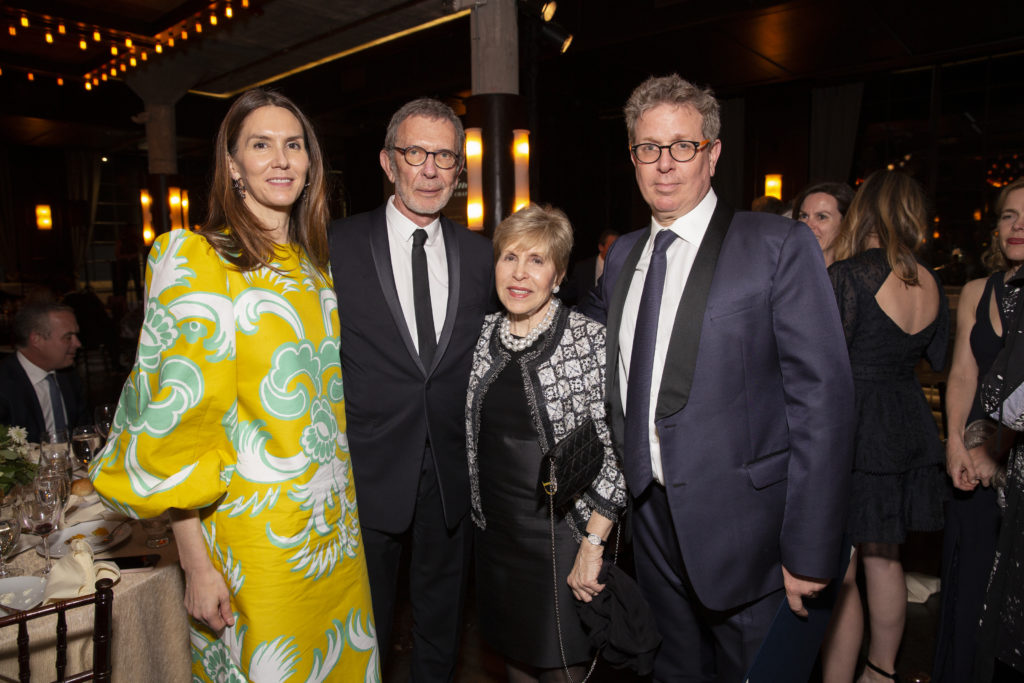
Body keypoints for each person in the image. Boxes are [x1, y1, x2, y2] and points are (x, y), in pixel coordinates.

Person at [90, 89, 379, 682]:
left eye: (293, 145)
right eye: (261, 144)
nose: (281, 159)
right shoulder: (195, 258)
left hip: (334, 537)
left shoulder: (311, 266)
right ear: (231, 163)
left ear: (310, 161)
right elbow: (174, 430)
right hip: (255, 542)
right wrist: (196, 563)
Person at [579, 73, 855, 681]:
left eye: (684, 146)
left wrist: (810, 550)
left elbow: (824, 405)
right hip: (649, 521)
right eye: (649, 148)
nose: (665, 164)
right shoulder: (623, 253)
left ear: (714, 152)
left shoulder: (778, 245)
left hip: (751, 535)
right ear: (633, 157)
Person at [328, 97, 494, 681]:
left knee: (441, 624)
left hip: (451, 474)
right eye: (415, 152)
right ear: (387, 161)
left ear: (458, 168)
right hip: (365, 471)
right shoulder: (335, 247)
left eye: (444, 156)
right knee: (361, 624)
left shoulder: (482, 255)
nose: (430, 169)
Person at [466, 204, 627, 682]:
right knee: (516, 663)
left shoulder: (590, 341)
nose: (519, 274)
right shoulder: (478, 336)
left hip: (564, 539)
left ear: (558, 275)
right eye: (509, 257)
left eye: (536, 261)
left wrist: (594, 543)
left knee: (563, 668)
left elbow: (619, 453)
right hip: (497, 540)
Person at [822, 170, 949, 682]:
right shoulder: (930, 279)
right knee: (884, 557)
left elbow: (827, 364)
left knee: (847, 568)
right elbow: (937, 356)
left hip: (860, 425)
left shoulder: (850, 275)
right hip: (909, 421)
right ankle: (881, 671)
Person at [933, 177, 1024, 683]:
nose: (1017, 227)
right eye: (1009, 215)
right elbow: (963, 371)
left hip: (1014, 467)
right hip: (972, 459)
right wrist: (953, 445)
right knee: (967, 588)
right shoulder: (976, 290)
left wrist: (995, 450)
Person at [0, 302, 87, 442]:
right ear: (37, 340)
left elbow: (82, 427)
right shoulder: (4, 385)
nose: (77, 344)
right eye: (68, 337)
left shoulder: (68, 376)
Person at [793, 181, 855, 266]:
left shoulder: (859, 273)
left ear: (845, 223)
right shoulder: (783, 271)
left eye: (821, 217)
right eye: (804, 216)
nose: (808, 226)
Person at [563, 229, 619, 305]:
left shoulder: (622, 267)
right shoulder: (583, 268)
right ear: (601, 247)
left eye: (618, 246)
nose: (616, 250)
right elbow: (568, 292)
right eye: (612, 246)